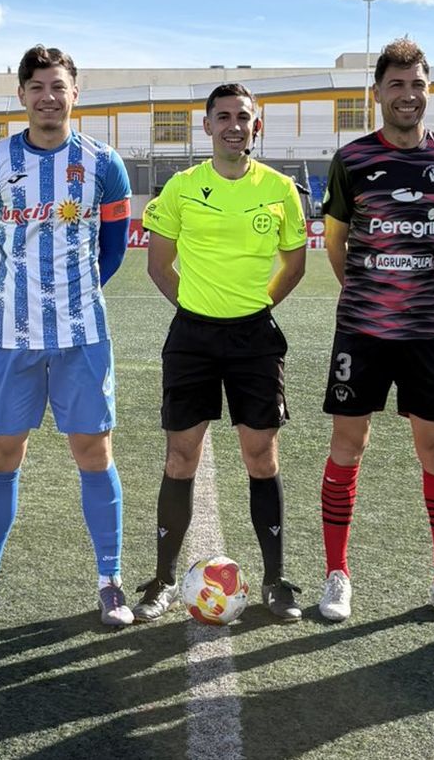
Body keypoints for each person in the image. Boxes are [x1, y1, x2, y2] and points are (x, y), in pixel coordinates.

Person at [0, 44, 133, 629]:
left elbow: (112, 249)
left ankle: (110, 581)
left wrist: (72, 296)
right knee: (2, 452)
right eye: (37, 86)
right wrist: (20, 294)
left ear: (74, 93)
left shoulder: (104, 164)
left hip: (82, 334)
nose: (48, 97)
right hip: (10, 334)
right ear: (22, 94)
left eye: (59, 86)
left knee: (93, 451)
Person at [315, 38, 434, 625]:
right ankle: (338, 575)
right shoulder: (352, 159)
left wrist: (430, 299)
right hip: (362, 330)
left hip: (429, 333)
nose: (407, 95)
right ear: (378, 92)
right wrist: (368, 294)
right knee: (347, 447)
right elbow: (335, 244)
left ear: (428, 89)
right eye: (396, 84)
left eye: (416, 84)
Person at [132, 83, 309, 623]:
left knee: (261, 457)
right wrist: (199, 311)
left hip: (255, 340)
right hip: (192, 339)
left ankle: (276, 582)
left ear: (258, 126)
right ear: (206, 126)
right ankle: (162, 579)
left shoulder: (280, 189)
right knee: (180, 457)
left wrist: (253, 308)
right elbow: (159, 266)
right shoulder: (182, 188)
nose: (235, 125)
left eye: (244, 117)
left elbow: (295, 264)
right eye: (224, 117)